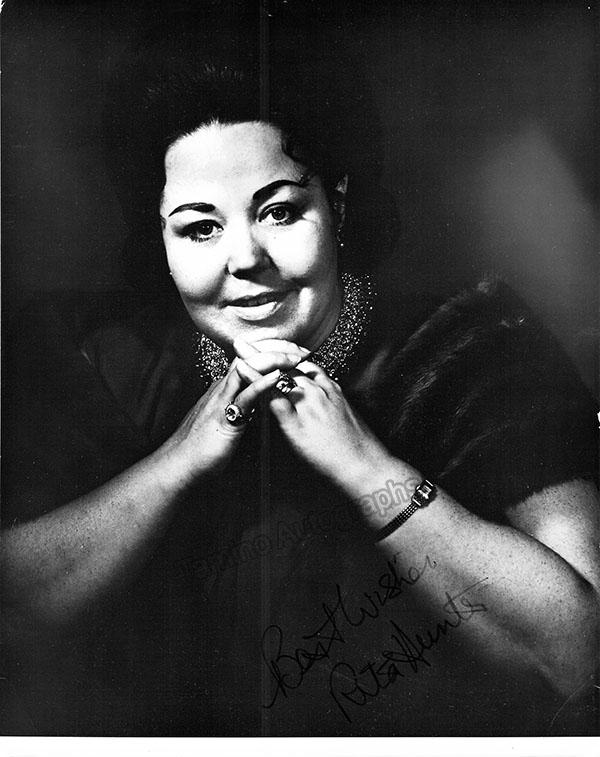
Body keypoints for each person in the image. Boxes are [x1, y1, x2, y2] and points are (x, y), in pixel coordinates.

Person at [2, 18, 598, 737]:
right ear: (159, 237)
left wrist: (366, 466)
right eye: (200, 227)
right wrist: (180, 460)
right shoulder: (105, 362)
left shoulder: (474, 342)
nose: (245, 258)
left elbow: (581, 654)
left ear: (337, 202)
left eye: (279, 211)